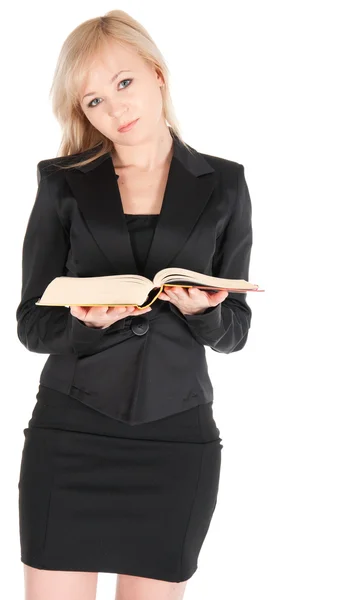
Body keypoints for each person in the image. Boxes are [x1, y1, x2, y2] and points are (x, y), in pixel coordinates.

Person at [16, 9, 254, 600]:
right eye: (93, 101)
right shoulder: (62, 182)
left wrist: (205, 312)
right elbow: (31, 323)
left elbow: (238, 331)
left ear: (157, 76)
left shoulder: (224, 184)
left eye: (123, 84)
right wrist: (83, 327)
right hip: (69, 433)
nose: (115, 109)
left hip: (175, 440)